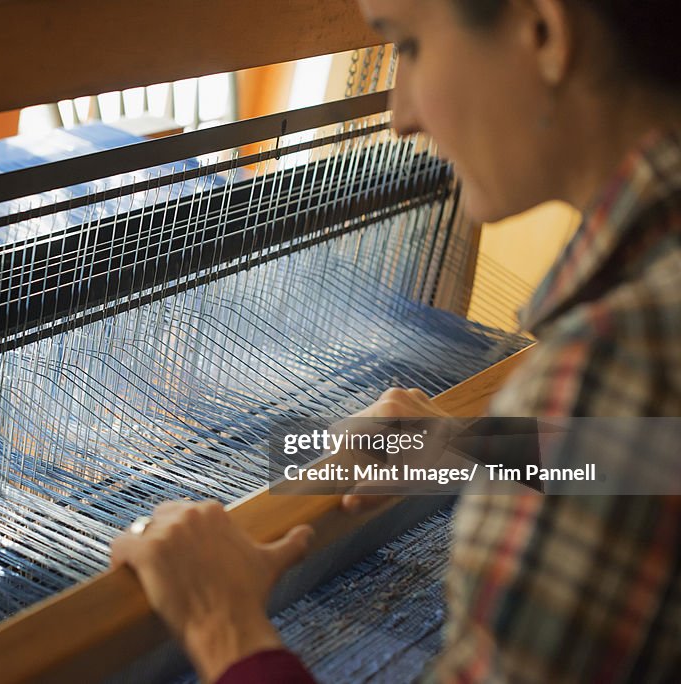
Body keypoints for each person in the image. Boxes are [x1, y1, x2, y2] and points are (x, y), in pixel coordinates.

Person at [110, 1, 681, 682]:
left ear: (544, 33)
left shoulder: (617, 353)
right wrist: (471, 449)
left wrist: (223, 627)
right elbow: (656, 455)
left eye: (408, 46)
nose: (400, 115)